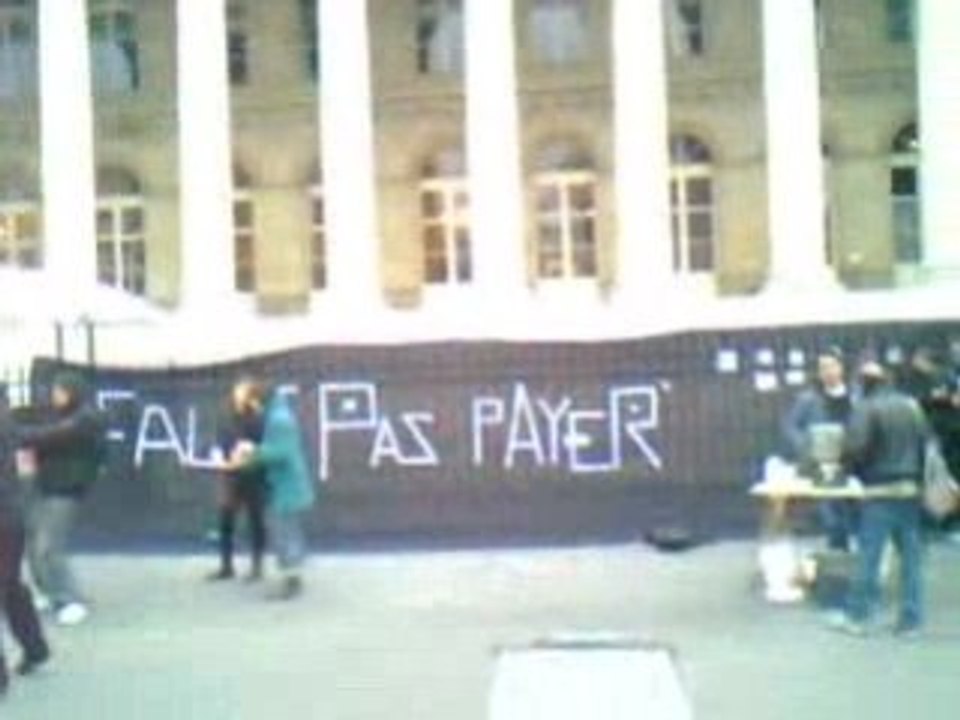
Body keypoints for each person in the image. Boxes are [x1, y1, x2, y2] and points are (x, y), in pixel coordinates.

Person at [831, 360, 928, 637]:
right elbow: (925, 445)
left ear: (863, 383)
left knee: (869, 555)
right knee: (910, 558)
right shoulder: (911, 406)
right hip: (909, 488)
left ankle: (858, 617)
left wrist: (847, 471)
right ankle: (911, 620)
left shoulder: (866, 408)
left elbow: (856, 448)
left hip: (879, 489)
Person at [19, 371, 104, 626]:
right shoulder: (59, 415)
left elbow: (50, 436)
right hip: (44, 485)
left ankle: (71, 600)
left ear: (72, 392)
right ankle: (49, 593)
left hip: (65, 489)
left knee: (49, 547)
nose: (55, 395)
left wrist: (11, 433)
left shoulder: (87, 418)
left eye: (60, 391)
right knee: (34, 543)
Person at [227, 381, 315, 601]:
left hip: (286, 488)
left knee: (284, 533)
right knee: (287, 531)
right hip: (284, 486)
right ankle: (292, 577)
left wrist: (251, 452)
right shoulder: (278, 416)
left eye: (244, 399)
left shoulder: (278, 420)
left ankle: (291, 580)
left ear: (255, 399)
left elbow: (280, 452)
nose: (242, 405)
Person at [0, 386, 50, 696]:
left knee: (8, 586)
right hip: (10, 517)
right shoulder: (9, 425)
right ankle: (34, 646)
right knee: (9, 586)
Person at [782, 347, 855, 550]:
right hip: (821, 465)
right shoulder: (808, 399)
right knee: (831, 514)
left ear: (841, 368)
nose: (828, 371)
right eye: (823, 368)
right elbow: (790, 426)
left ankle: (848, 552)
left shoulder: (856, 396)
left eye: (832, 366)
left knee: (852, 511)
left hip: (852, 461)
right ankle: (837, 551)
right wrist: (806, 446)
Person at [208, 379, 269, 582]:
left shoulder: (259, 418)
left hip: (253, 476)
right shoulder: (227, 417)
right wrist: (217, 453)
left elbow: (262, 444)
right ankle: (226, 566)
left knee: (255, 521)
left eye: (243, 392)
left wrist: (246, 452)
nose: (239, 396)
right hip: (231, 477)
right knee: (226, 521)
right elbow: (219, 440)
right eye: (237, 392)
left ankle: (257, 567)